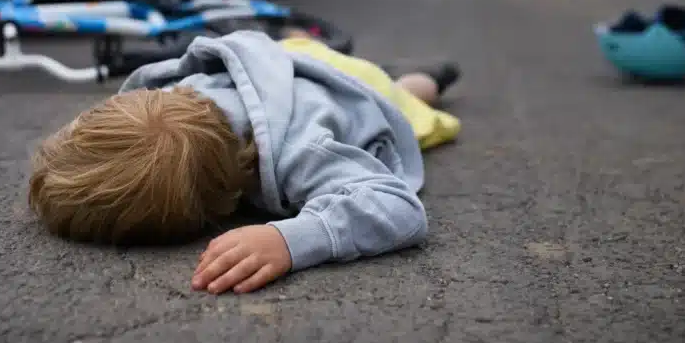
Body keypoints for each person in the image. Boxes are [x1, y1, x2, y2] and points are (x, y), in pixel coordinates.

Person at [27, 28, 462, 295]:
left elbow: (399, 207)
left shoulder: (305, 152)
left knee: (407, 96)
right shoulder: (173, 94)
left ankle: (427, 78)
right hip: (282, 57)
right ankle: (309, 39)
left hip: (360, 90)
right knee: (307, 47)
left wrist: (295, 239)